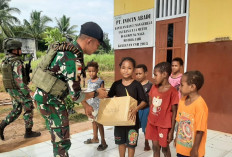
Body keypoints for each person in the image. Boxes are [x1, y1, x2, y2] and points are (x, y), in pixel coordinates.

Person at [32, 22, 108, 157]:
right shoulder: (72, 58)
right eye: (98, 44)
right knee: (62, 142)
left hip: (45, 99)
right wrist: (96, 93)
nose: (97, 48)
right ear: (89, 41)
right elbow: (75, 95)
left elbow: (68, 86)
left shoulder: (68, 50)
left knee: (59, 139)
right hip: (52, 102)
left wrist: (85, 105)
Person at [0, 39, 41, 140]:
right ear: (14, 50)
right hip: (19, 89)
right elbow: (19, 80)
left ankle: (1, 126)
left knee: (17, 109)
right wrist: (29, 92)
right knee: (28, 108)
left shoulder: (4, 61)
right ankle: (28, 132)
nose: (20, 50)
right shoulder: (17, 62)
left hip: (11, 89)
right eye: (19, 48)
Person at [108, 57, 147, 157]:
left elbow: (144, 101)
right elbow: (109, 98)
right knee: (120, 142)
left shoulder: (137, 85)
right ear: (120, 68)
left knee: (131, 144)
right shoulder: (116, 85)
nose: (126, 70)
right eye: (123, 67)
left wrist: (136, 109)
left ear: (133, 70)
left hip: (132, 120)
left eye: (129, 68)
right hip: (119, 120)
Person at [146, 62, 179, 157]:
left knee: (165, 148)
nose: (153, 77)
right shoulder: (154, 87)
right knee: (155, 147)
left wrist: (172, 131)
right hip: (152, 123)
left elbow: (174, 112)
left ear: (164, 74)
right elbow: (151, 103)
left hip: (164, 126)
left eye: (155, 75)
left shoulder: (173, 91)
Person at [174, 71, 208, 157]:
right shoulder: (182, 101)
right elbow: (179, 122)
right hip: (181, 148)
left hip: (193, 151)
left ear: (192, 87)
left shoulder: (200, 105)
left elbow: (200, 130)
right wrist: (176, 138)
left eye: (182, 85)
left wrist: (195, 149)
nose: (179, 88)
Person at [84, 61, 108, 151]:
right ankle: (95, 138)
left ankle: (103, 141)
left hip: (98, 106)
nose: (91, 73)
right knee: (93, 122)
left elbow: (103, 94)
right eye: (89, 71)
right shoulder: (89, 81)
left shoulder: (100, 81)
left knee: (99, 123)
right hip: (91, 106)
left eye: (93, 71)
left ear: (97, 70)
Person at [135, 64, 152, 151]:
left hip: (146, 110)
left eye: (140, 73)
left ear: (146, 73)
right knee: (134, 127)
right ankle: (133, 142)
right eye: (136, 74)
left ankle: (146, 143)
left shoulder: (150, 85)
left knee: (145, 128)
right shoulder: (134, 84)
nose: (138, 76)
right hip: (136, 110)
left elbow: (151, 100)